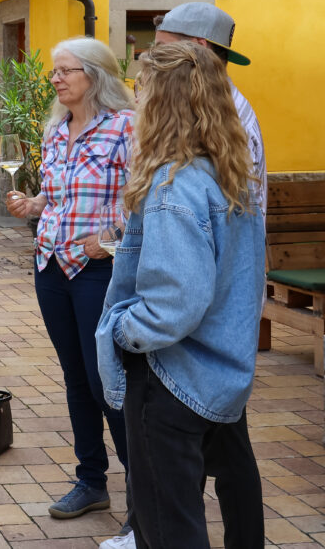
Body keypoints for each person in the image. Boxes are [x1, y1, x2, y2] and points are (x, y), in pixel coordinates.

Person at [96, 41, 265, 548]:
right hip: (220, 372)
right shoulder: (231, 176)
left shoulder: (175, 187)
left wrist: (123, 331)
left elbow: (176, 303)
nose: (135, 101)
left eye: (142, 90)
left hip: (170, 377)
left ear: (161, 102)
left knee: (168, 528)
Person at [5, 38, 133, 521]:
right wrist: (32, 205)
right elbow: (56, 197)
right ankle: (91, 481)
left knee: (107, 381)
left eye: (65, 71)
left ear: (95, 75)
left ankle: (142, 486)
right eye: (54, 72)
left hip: (98, 271)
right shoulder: (56, 130)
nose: (56, 79)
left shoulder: (126, 127)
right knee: (76, 377)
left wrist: (110, 239)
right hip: (51, 267)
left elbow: (144, 200)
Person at [153, 2, 265, 214]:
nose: (153, 59)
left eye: (162, 48)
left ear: (199, 48)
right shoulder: (207, 107)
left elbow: (238, 214)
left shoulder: (226, 117)